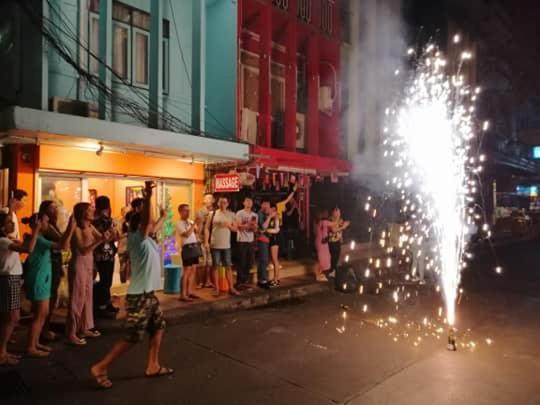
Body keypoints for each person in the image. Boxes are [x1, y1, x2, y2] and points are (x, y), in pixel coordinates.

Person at [91, 181, 173, 389]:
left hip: (149, 295)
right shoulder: (138, 238)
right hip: (139, 296)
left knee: (158, 327)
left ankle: (153, 365)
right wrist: (147, 197)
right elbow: (147, 221)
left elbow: (154, 224)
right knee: (133, 336)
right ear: (140, 225)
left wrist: (163, 215)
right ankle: (101, 366)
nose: (153, 224)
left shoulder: (147, 239)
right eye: (149, 223)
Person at [23, 210, 76, 357]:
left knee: (43, 313)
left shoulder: (39, 237)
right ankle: (30, 347)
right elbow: (62, 245)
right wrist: (70, 229)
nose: (49, 224)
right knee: (39, 314)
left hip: (42, 279)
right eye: (46, 221)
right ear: (38, 223)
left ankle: (35, 343)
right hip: (38, 279)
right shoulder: (38, 239)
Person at [66, 203, 111, 345]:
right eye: (90, 210)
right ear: (83, 213)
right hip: (79, 263)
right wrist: (100, 240)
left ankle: (84, 327)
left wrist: (108, 235)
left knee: (87, 296)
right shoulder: (77, 228)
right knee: (76, 299)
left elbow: (102, 239)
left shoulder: (90, 226)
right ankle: (71, 333)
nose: (93, 212)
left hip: (88, 264)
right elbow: (83, 250)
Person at [0, 212, 40, 365]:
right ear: (2, 226)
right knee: (12, 317)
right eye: (9, 222)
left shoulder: (6, 239)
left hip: (11, 278)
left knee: (10, 317)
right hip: (9, 279)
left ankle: (3, 351)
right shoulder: (3, 241)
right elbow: (28, 249)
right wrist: (35, 230)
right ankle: (2, 353)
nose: (13, 224)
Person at [39, 201, 65, 342]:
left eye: (56, 207)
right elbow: (61, 241)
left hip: (55, 262)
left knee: (52, 296)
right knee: (49, 297)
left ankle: (46, 328)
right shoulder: (47, 226)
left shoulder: (53, 224)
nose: (56, 210)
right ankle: (43, 330)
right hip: (50, 262)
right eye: (53, 207)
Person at [204, 196, 240, 296]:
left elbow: (235, 229)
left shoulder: (231, 214)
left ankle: (231, 287)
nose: (222, 204)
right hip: (215, 243)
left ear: (228, 204)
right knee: (215, 266)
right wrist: (206, 241)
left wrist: (228, 225)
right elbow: (206, 228)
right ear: (218, 203)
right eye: (220, 202)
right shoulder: (212, 214)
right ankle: (216, 288)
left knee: (228, 266)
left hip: (226, 245)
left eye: (224, 202)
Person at [93, 196, 119, 318]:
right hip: (106, 253)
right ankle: (102, 305)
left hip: (99, 253)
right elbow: (110, 237)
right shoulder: (106, 220)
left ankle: (105, 303)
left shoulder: (94, 220)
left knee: (105, 279)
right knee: (106, 280)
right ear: (108, 207)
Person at [176, 204, 199, 302]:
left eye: (189, 210)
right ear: (180, 212)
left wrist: (199, 223)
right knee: (187, 271)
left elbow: (197, 232)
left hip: (194, 246)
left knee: (193, 269)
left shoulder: (190, 221)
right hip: (187, 248)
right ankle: (182, 294)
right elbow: (186, 234)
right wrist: (193, 225)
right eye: (186, 210)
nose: (188, 212)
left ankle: (189, 291)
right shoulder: (179, 223)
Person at [235, 197, 258, 289]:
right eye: (247, 201)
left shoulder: (254, 215)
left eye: (250, 201)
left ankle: (245, 281)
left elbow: (255, 228)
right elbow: (238, 226)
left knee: (249, 262)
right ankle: (239, 282)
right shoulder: (240, 213)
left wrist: (254, 227)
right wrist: (248, 225)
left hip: (250, 240)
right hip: (242, 240)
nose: (249, 203)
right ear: (243, 203)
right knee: (242, 262)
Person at [195, 193, 215, 288]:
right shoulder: (200, 211)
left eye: (210, 198)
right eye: (206, 199)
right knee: (202, 261)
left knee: (210, 262)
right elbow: (199, 225)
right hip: (202, 238)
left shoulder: (215, 212)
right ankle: (200, 282)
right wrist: (198, 237)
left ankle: (208, 281)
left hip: (213, 239)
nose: (208, 200)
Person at [256, 199, 275, 289]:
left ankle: (262, 280)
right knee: (263, 260)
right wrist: (269, 217)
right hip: (262, 239)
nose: (267, 206)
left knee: (264, 260)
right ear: (261, 205)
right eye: (265, 204)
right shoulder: (260, 214)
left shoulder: (267, 214)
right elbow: (263, 227)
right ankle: (263, 280)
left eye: (268, 204)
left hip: (267, 239)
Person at [328, 207, 351, 276]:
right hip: (332, 241)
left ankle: (333, 270)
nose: (339, 214)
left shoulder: (340, 220)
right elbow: (333, 230)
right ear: (333, 212)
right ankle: (331, 270)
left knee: (337, 255)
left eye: (339, 212)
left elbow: (343, 225)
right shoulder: (330, 220)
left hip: (337, 240)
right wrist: (343, 227)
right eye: (337, 212)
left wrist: (346, 224)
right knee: (333, 256)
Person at [313, 210, 331, 282]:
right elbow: (333, 224)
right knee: (320, 259)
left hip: (319, 241)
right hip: (321, 242)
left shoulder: (316, 221)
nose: (327, 214)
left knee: (319, 259)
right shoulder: (323, 222)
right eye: (326, 213)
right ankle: (318, 275)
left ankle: (319, 274)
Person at [267, 205, 281, 286]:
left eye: (272, 210)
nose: (270, 211)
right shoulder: (270, 217)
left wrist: (267, 230)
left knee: (275, 259)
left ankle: (276, 279)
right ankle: (275, 279)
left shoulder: (276, 217)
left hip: (275, 239)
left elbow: (277, 229)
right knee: (273, 259)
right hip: (272, 238)